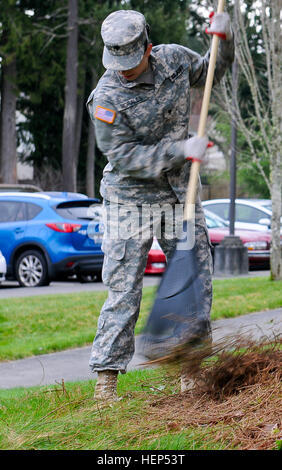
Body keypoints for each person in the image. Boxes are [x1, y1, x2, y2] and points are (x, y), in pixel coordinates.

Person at [87, 9, 234, 401]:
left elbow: (212, 72)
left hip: (179, 194)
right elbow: (124, 155)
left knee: (194, 280)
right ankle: (106, 381)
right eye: (116, 62)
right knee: (123, 289)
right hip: (128, 199)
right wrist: (180, 149)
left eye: (130, 63)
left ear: (147, 49)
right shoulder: (105, 97)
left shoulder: (173, 59)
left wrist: (226, 37)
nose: (123, 71)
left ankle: (189, 369)